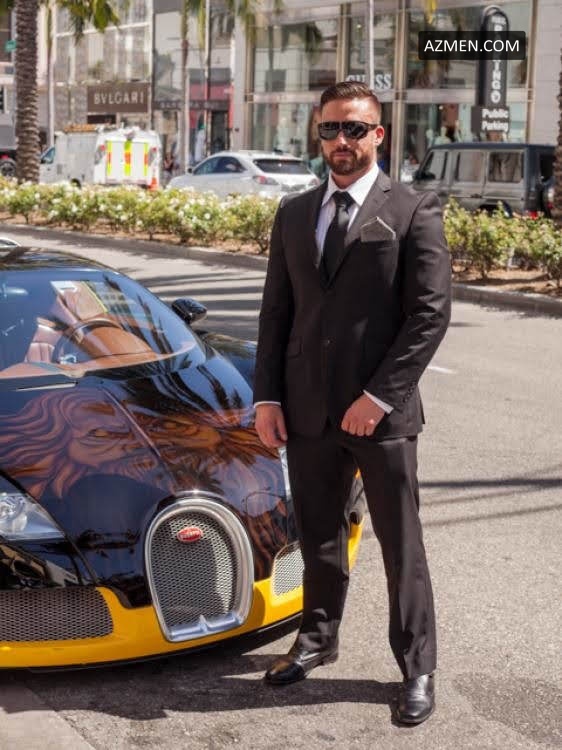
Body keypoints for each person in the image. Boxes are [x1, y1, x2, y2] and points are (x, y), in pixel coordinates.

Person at [253, 80, 451, 726]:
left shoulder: (413, 211)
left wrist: (378, 397)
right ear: (319, 135)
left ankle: (417, 666)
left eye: (355, 129)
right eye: (331, 129)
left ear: (378, 135)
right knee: (318, 535)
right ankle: (316, 639)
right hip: (307, 409)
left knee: (400, 544)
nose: (342, 140)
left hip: (381, 416)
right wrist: (267, 397)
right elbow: (276, 313)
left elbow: (429, 316)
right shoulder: (294, 213)